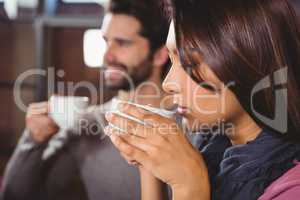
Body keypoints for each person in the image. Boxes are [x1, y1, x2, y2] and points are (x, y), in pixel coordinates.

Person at [105, 0, 300, 199]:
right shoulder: (214, 150)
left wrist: (190, 187)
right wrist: (148, 164)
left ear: (249, 59)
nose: (168, 84)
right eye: (173, 61)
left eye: (190, 63)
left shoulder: (291, 189)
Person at [0, 0, 170, 199]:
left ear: (159, 54)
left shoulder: (189, 123)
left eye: (122, 43)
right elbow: (15, 195)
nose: (107, 56)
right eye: (106, 41)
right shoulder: (87, 123)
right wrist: (33, 140)